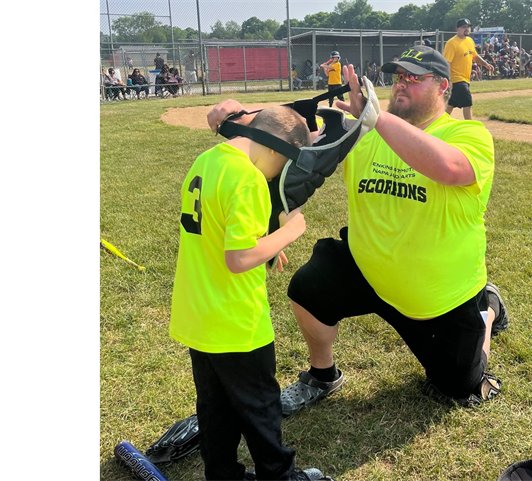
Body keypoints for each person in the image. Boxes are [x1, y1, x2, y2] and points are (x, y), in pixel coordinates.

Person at [205, 45, 510, 416]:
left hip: (436, 297)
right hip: (369, 269)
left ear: (443, 86)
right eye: (398, 77)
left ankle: (488, 308)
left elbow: (448, 168)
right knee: (308, 287)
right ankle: (322, 375)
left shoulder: (468, 134)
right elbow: (291, 146)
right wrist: (241, 119)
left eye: (414, 78)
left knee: (458, 389)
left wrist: (374, 118)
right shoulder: (364, 134)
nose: (402, 84)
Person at [170, 104, 329, 481]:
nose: (280, 174)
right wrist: (290, 231)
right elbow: (239, 258)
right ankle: (279, 475)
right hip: (236, 320)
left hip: (198, 313)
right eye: (286, 163)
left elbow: (221, 227)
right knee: (260, 406)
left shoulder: (208, 160)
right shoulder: (248, 178)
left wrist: (268, 242)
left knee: (215, 407)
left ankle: (222, 474)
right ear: (278, 148)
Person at [443, 19, 495, 120]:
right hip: (456, 79)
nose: (466, 29)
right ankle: (470, 125)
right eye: (463, 27)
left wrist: (486, 64)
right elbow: (447, 63)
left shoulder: (469, 41)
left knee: (450, 105)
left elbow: (475, 56)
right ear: (457, 29)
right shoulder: (452, 43)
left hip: (465, 79)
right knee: (467, 103)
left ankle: (437, 125)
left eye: (468, 27)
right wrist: (448, 80)